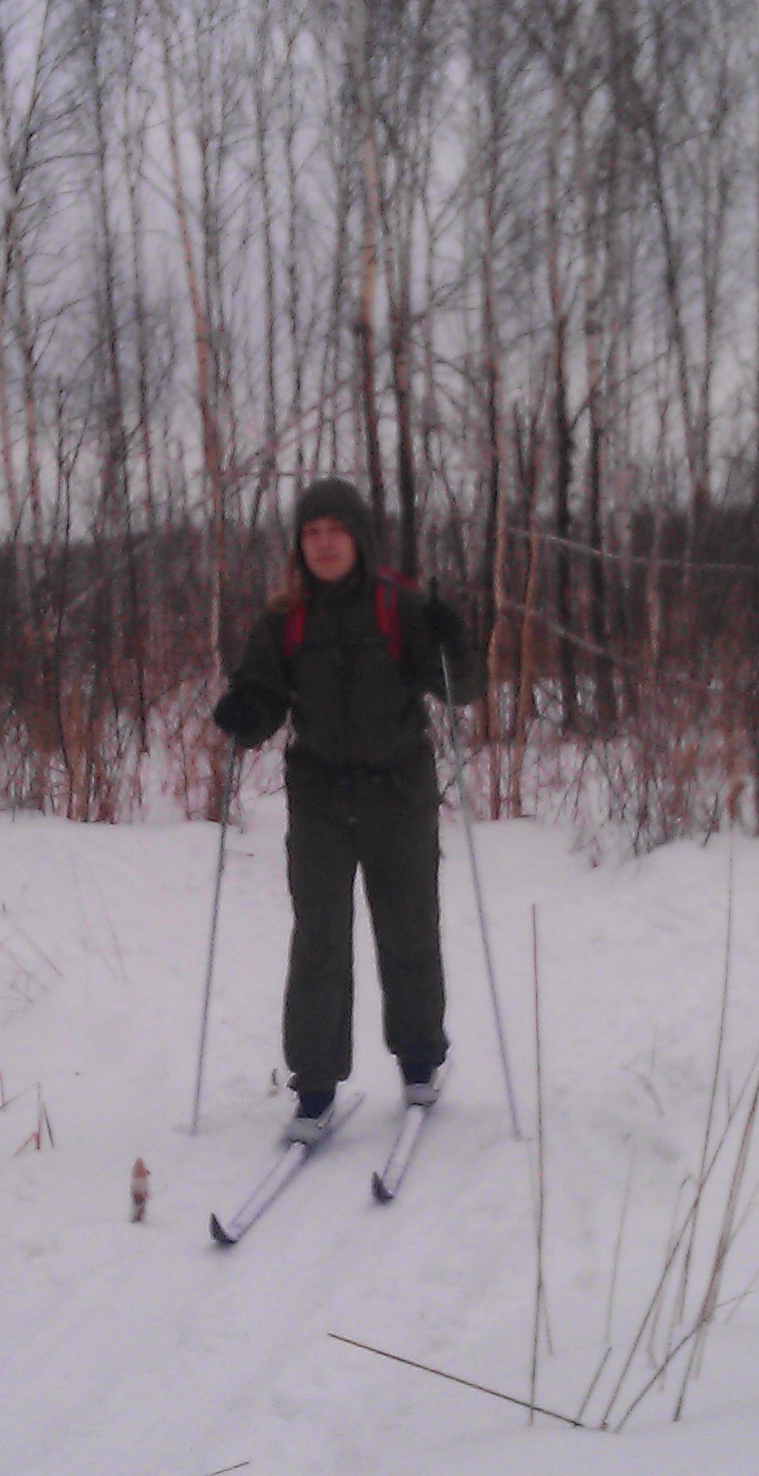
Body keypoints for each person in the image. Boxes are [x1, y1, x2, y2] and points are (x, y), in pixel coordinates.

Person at [210, 477, 484, 1143]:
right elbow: (263, 701)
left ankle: (419, 1059)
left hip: (399, 791)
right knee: (320, 940)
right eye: (311, 533)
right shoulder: (285, 620)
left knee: (409, 928)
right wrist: (243, 711)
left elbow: (462, 690)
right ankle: (315, 1084)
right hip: (321, 799)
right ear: (299, 546)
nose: (324, 543)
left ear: (358, 537)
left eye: (335, 530)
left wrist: (453, 642)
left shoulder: (401, 607)